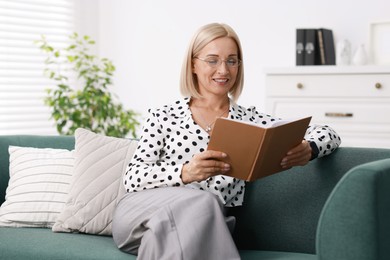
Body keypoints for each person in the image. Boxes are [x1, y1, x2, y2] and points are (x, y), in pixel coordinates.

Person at [112, 23, 341, 260]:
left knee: (184, 227)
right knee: (203, 201)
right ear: (193, 64)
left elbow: (329, 133)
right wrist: (186, 172)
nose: (223, 70)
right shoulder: (163, 116)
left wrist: (309, 149)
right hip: (142, 214)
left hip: (201, 226)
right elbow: (132, 178)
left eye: (232, 61)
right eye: (212, 60)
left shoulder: (250, 121)